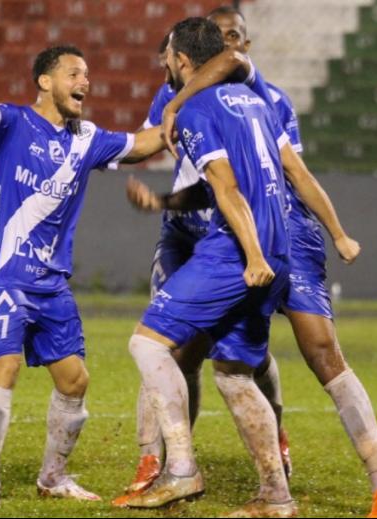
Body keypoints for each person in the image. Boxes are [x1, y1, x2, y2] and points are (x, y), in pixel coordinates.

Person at [156, 7, 377, 518]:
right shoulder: (220, 102)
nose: (228, 49)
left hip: (278, 233)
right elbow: (223, 186)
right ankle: (253, 483)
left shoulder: (255, 95)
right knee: (220, 361)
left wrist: (337, 232)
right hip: (248, 237)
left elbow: (292, 173)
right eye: (220, 39)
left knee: (316, 355)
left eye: (235, 38)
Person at [0, 45, 165, 508]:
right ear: (45, 81)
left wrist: (184, 115)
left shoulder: (86, 138)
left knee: (74, 381)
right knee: (6, 366)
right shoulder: (13, 122)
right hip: (5, 273)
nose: (84, 82)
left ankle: (53, 477)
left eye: (87, 75)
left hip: (51, 282)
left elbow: (142, 144)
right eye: (74, 73)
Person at [112, 29, 292, 508]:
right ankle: (276, 495)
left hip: (235, 249)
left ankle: (181, 470)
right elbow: (230, 183)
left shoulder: (195, 109)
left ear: (183, 59)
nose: (163, 66)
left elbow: (226, 187)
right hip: (279, 243)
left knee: (148, 344)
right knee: (234, 373)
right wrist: (163, 202)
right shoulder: (256, 101)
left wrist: (251, 254)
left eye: (167, 57)